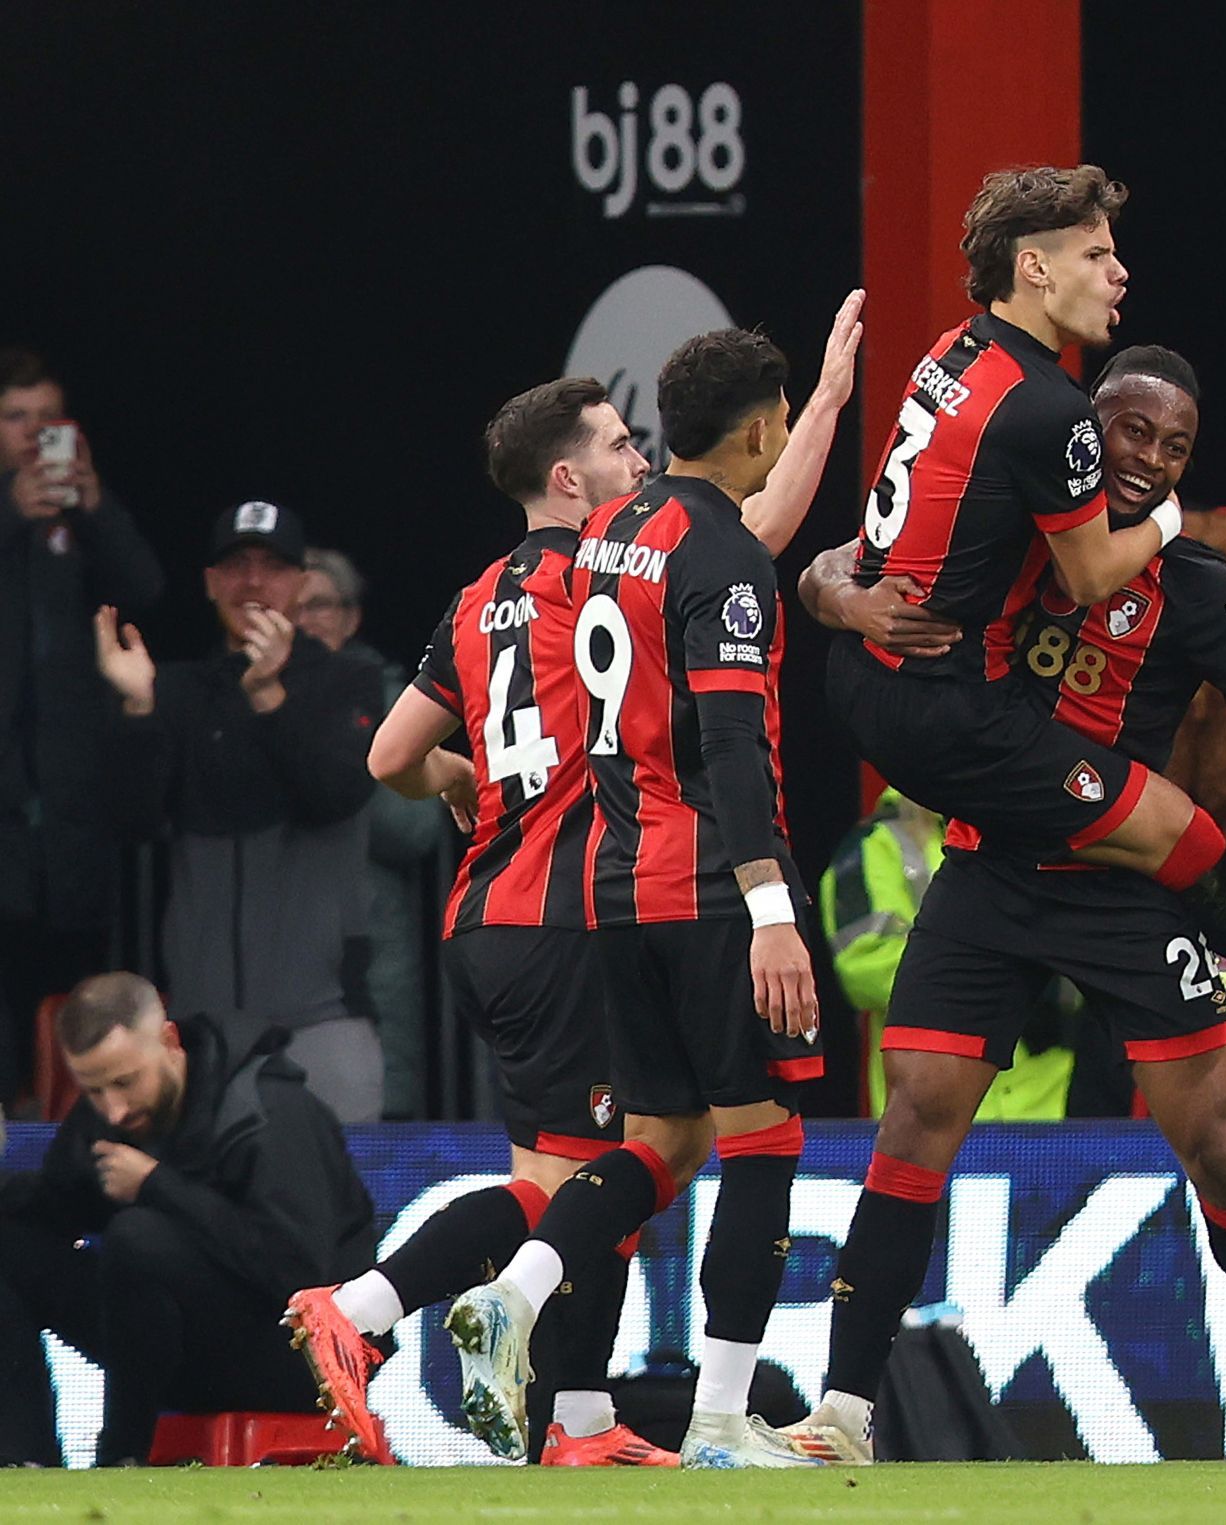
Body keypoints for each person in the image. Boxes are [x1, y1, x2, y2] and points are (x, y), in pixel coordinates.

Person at [786, 347, 1226, 1465]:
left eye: (1175, 444)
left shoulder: (1200, 585)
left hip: (1128, 897)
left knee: (1218, 1146)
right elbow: (849, 554)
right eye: (1130, 430)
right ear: (1080, 432)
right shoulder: (1006, 534)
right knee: (914, 1118)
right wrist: (837, 592)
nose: (1149, 458)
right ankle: (845, 1415)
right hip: (995, 871)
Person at [281, 292, 863, 1470]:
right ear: (565, 478)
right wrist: (833, 406)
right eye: (613, 443)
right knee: (607, 1169)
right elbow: (743, 541)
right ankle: (368, 1309)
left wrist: (469, 779)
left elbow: (390, 756)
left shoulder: (490, 592)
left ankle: (582, 1423)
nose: (635, 455)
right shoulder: (615, 570)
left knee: (624, 1156)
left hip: (504, 906)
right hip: (580, 905)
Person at [826, 165, 1226, 1055]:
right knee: (1178, 823)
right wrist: (1166, 518)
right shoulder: (1047, 414)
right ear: (1035, 268)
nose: (1119, 273)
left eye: (1177, 449)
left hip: (876, 688)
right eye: (1098, 252)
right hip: (943, 711)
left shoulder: (952, 353)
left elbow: (878, 543)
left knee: (934, 1126)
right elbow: (1087, 578)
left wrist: (833, 593)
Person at [446, 321, 853, 1470]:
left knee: (659, 1139)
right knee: (764, 1143)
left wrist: (823, 401)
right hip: (715, 893)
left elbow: (736, 547)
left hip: (614, 894)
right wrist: (773, 908)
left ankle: (519, 1294)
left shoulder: (615, 537)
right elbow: (730, 738)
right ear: (759, 427)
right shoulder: (718, 559)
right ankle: (722, 1421)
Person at [0, 971, 375, 1467]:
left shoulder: (271, 1111)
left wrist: (157, 1184)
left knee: (138, 1238)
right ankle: (25, 1463)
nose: (112, 1109)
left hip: (301, 1361)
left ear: (169, 1041)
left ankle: (119, 1459)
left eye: (125, 1083)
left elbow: (297, 1273)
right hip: (171, 1349)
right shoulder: (111, 1116)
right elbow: (55, 1206)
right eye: (93, 1091)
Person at [94, 502, 386, 1123]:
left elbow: (335, 793)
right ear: (208, 583)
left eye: (272, 567)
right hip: (207, 1030)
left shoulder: (347, 683)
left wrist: (269, 697)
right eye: (234, 567)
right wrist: (140, 712)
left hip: (323, 1017)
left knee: (347, 1203)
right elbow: (130, 822)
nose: (252, 583)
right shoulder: (178, 690)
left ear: (301, 583)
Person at [0, 348, 164, 1109]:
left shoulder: (83, 517)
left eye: (48, 418)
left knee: (72, 1021)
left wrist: (94, 504)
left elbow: (147, 588)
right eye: (17, 418)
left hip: (70, 828)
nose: (36, 436)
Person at [819, 786, 1080, 1119]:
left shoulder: (1043, 830)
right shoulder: (878, 844)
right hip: (929, 1112)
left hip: (1050, 1112)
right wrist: (1002, 975)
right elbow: (863, 966)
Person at [296, 548, 447, 1119]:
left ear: (351, 617)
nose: (304, 620)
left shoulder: (385, 699)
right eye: (293, 606)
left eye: (320, 606)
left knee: (376, 1140)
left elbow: (415, 829)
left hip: (372, 959)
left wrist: (333, 760)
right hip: (275, 959)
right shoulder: (250, 696)